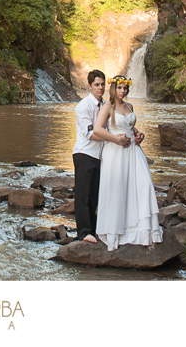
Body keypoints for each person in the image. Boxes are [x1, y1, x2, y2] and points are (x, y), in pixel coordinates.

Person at [95, 75, 163, 251]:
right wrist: (116, 139)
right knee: (118, 189)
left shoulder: (129, 106)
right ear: (113, 88)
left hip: (133, 151)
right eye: (119, 88)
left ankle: (141, 229)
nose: (122, 91)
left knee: (143, 185)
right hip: (116, 152)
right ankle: (115, 231)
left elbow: (130, 128)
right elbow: (97, 129)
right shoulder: (107, 106)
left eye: (125, 88)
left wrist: (139, 134)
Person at [72, 70, 135, 243]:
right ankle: (84, 233)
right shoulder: (83, 106)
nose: (100, 88)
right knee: (83, 194)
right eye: (96, 85)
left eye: (102, 84)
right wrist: (115, 140)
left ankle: (94, 229)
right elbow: (89, 134)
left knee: (95, 194)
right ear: (89, 86)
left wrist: (133, 133)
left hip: (102, 155)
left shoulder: (107, 105)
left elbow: (116, 125)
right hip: (85, 153)